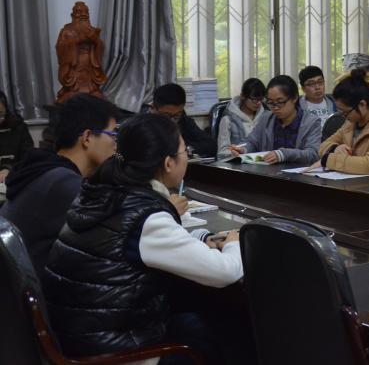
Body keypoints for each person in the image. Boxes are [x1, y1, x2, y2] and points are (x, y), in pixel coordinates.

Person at [43, 114, 245, 360]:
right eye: (185, 151)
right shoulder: (145, 215)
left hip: (82, 337)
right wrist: (235, 242)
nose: (187, 157)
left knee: (205, 319)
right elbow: (225, 272)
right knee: (229, 329)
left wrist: (202, 240)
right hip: (116, 352)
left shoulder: (103, 192)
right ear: (168, 163)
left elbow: (149, 244)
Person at [0, 94, 122, 275]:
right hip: (38, 287)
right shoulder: (63, 184)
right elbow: (115, 233)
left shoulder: (46, 169)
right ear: (87, 137)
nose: (116, 145)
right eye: (113, 135)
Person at [316, 68, 369, 178]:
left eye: (346, 112)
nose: (344, 116)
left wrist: (328, 159)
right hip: (351, 180)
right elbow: (323, 146)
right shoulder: (351, 121)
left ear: (362, 105)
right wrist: (334, 149)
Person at [228, 75, 320, 165]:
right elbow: (252, 142)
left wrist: (283, 154)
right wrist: (243, 149)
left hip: (298, 174)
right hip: (268, 172)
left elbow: (313, 154)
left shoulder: (311, 122)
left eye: (280, 102)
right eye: (271, 103)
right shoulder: (267, 118)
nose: (275, 108)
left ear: (294, 98)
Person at [54, 1, 108, 103]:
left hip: (90, 63)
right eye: (79, 12)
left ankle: (91, 90)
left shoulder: (92, 30)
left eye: (86, 12)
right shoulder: (66, 31)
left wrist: (96, 41)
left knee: (94, 90)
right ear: (73, 15)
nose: (83, 14)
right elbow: (60, 47)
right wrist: (78, 40)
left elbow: (100, 47)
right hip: (74, 64)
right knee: (73, 88)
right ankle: (72, 91)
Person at [151, 83, 217, 158]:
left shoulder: (183, 120)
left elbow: (211, 145)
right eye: (166, 115)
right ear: (153, 108)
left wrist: (184, 148)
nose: (172, 121)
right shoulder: (144, 125)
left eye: (176, 115)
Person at [216, 78, 268, 158]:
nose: (259, 103)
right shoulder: (228, 119)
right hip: (239, 161)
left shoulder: (266, 116)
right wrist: (233, 153)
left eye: (261, 99)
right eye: (254, 99)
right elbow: (222, 152)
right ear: (243, 96)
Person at [0, 89, 33, 182]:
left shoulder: (18, 126)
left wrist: (9, 169)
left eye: (0, 113)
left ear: (6, 109)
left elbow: (28, 156)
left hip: (15, 176)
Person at [298, 65, 337, 130]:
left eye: (320, 82)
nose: (317, 87)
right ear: (303, 88)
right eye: (311, 84)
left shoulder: (335, 103)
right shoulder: (298, 107)